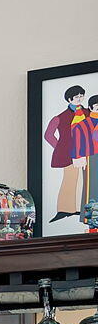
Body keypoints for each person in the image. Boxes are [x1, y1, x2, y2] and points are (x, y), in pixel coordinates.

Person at [43, 85, 92, 224]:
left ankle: (78, 207)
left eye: (81, 96)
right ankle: (65, 209)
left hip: (88, 152)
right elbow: (48, 135)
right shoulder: (60, 117)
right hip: (69, 154)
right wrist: (61, 147)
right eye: (76, 96)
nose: (80, 98)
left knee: (85, 180)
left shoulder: (88, 112)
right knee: (70, 179)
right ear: (69, 99)